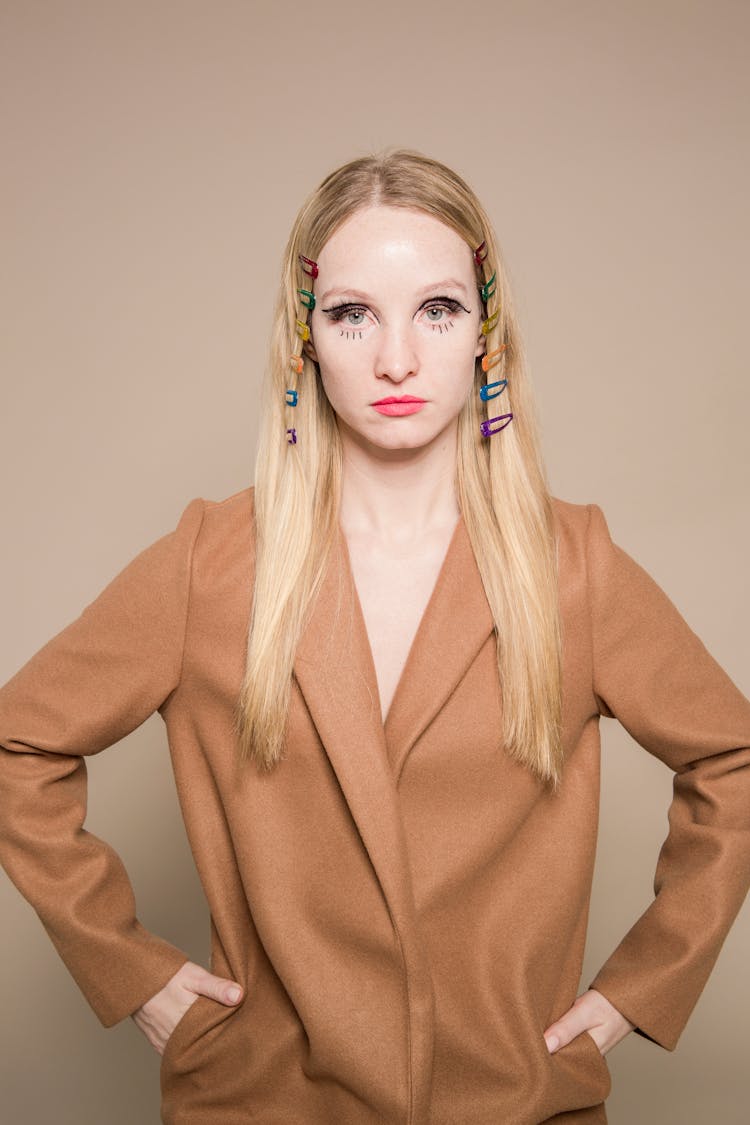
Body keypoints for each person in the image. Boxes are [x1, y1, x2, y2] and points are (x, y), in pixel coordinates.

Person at [0, 148, 748, 1125]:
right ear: (304, 337)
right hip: (259, 1102)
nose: (397, 357)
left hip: (511, 1104)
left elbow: (734, 759)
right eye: (354, 312)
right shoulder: (211, 562)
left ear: (487, 330)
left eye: (436, 309)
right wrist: (130, 971)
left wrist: (644, 987)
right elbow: (20, 741)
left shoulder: (573, 565)